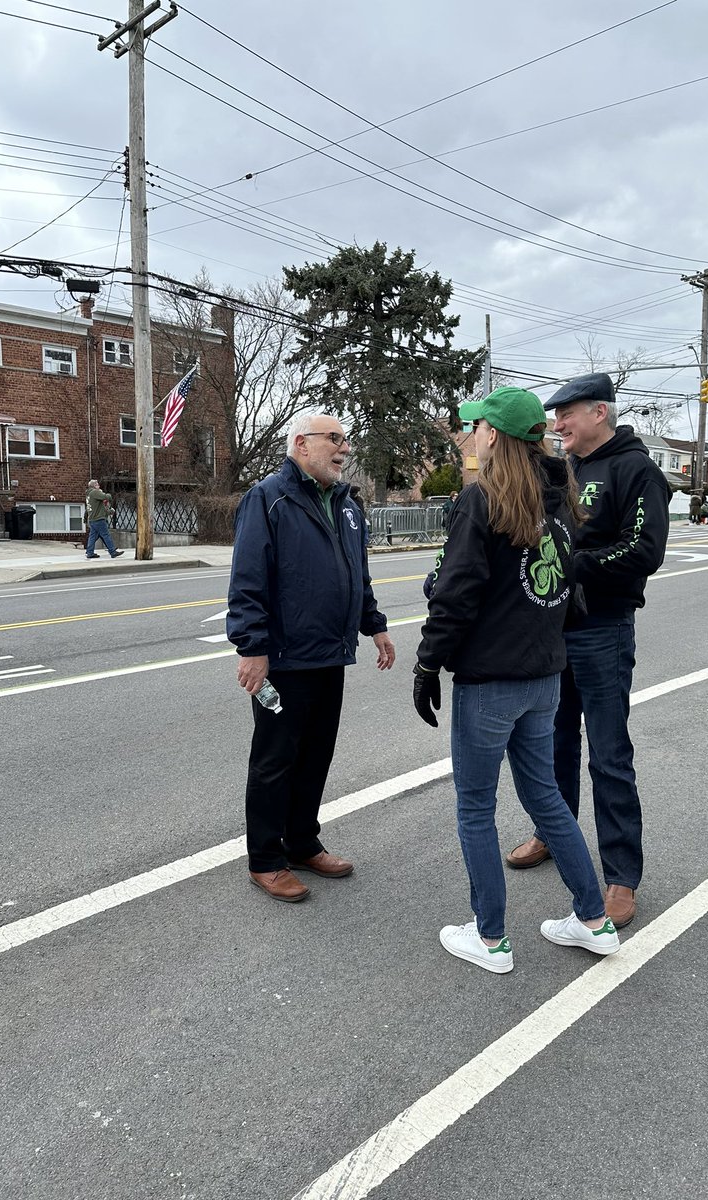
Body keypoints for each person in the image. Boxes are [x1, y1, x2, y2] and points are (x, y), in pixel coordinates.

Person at [412, 386, 619, 973]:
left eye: (478, 427)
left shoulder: (482, 502)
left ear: (495, 436)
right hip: (544, 676)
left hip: (491, 680)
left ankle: (491, 936)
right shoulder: (559, 500)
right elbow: (565, 589)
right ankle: (592, 918)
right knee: (545, 797)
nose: (473, 433)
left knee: (475, 806)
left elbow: (455, 594)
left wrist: (429, 663)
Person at [507, 373, 671, 931]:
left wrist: (577, 563)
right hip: (555, 630)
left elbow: (645, 549)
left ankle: (621, 876)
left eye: (566, 415)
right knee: (553, 744)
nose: (557, 425)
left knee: (608, 754)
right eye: (553, 418)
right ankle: (553, 833)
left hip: (604, 629)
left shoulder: (635, 469)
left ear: (599, 413)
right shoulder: (565, 469)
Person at [226, 412, 396, 903]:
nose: (345, 449)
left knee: (316, 754)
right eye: (335, 439)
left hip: (330, 655)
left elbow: (355, 573)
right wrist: (253, 648)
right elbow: (247, 580)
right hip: (283, 660)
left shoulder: (345, 504)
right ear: (301, 444)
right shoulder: (269, 499)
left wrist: (375, 624)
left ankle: (301, 842)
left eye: (347, 440)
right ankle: (265, 859)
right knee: (275, 760)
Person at [84, 479, 124, 559]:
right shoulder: (94, 492)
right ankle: (112, 552)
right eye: (97, 484)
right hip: (99, 519)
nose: (99, 485)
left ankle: (90, 552)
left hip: (92, 519)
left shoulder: (88, 495)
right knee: (106, 535)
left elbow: (94, 508)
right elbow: (106, 497)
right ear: (94, 485)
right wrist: (107, 494)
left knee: (92, 537)